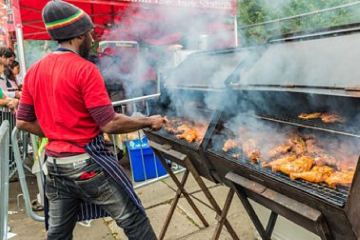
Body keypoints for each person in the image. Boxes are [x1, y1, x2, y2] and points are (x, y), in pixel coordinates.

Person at [16, 1, 164, 239]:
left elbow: (22, 122)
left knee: (57, 234)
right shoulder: (84, 69)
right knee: (135, 222)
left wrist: (58, 132)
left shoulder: (34, 70)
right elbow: (109, 123)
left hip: (54, 167)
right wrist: (147, 121)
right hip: (88, 166)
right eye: (90, 34)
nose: (93, 40)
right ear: (78, 35)